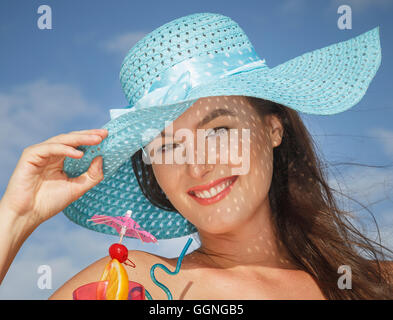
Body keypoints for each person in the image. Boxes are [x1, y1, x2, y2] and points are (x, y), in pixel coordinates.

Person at [1, 12, 392, 299]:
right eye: (168, 145)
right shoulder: (125, 282)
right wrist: (15, 218)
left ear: (274, 128)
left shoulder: (377, 284)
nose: (198, 165)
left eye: (218, 130)